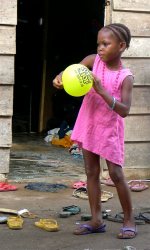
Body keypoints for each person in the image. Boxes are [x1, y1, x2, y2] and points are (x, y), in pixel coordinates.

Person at [53, 23, 136, 239]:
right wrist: (61, 77)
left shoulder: (125, 76)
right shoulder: (93, 61)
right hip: (89, 123)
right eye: (98, 43)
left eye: (106, 44)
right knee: (91, 172)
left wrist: (101, 91)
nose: (100, 48)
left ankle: (129, 220)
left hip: (109, 129)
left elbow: (125, 110)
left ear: (121, 46)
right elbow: (72, 71)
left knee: (116, 175)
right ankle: (96, 219)